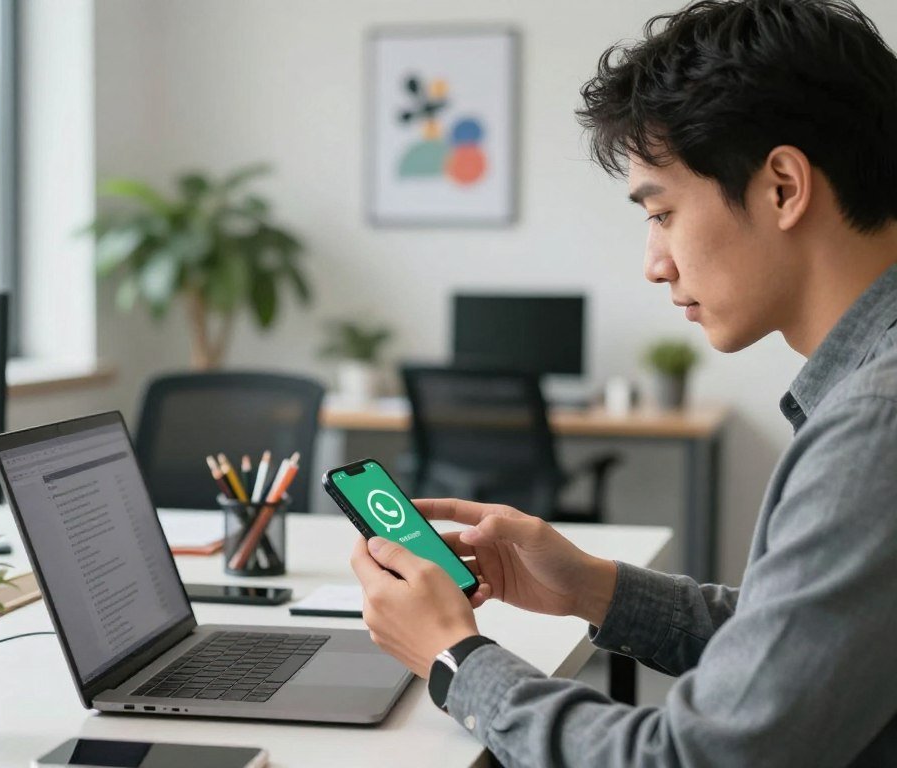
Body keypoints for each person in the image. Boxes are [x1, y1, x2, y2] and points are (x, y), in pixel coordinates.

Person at [349, 0, 897, 765]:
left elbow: (693, 758)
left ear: (782, 187)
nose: (654, 262)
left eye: (663, 212)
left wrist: (452, 658)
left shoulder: (876, 425)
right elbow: (795, 651)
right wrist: (588, 586)